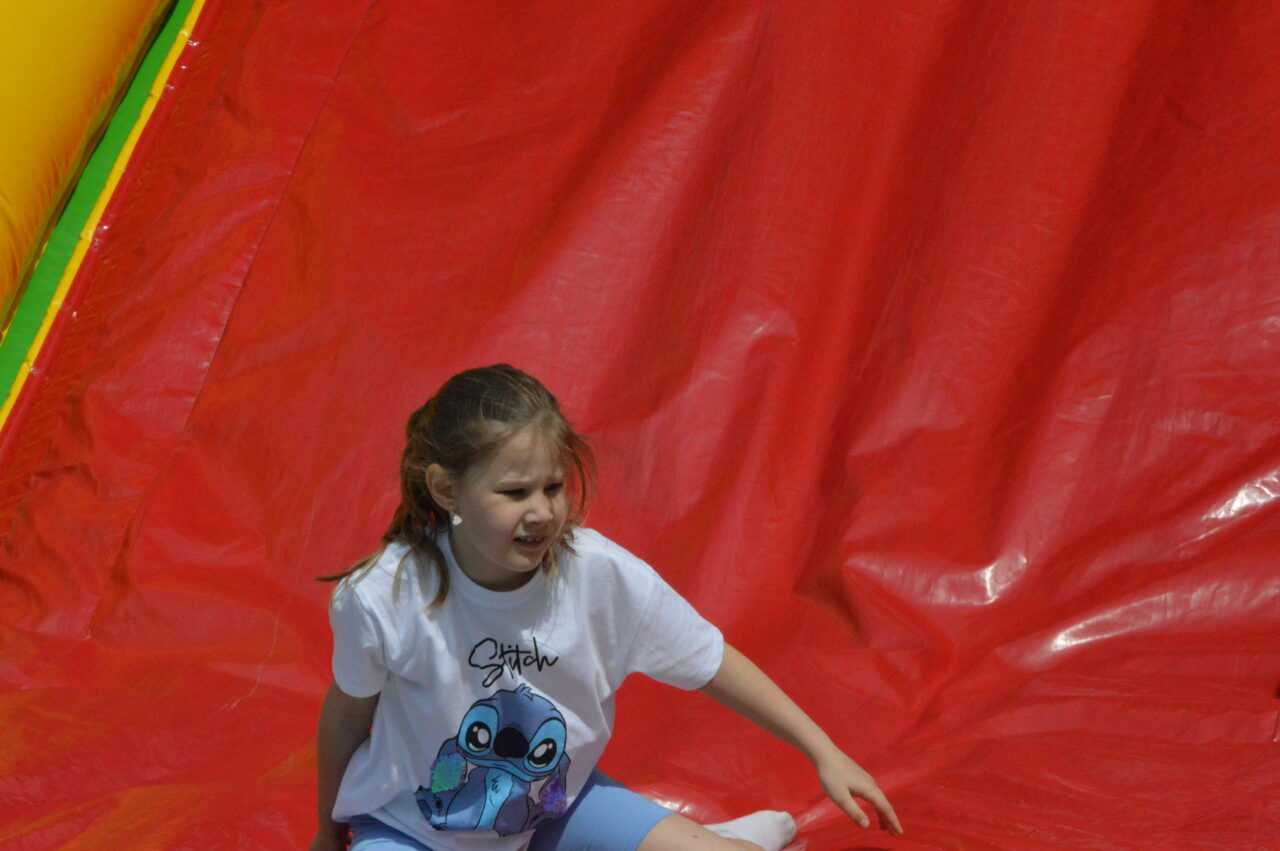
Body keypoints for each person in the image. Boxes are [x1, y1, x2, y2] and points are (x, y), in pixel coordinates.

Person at [310, 364, 902, 851]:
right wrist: (327, 830)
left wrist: (823, 751)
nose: (542, 511)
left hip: (550, 811)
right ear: (447, 491)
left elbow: (711, 662)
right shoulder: (384, 596)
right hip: (413, 834)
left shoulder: (599, 575)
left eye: (552, 487)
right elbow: (346, 716)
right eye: (514, 492)